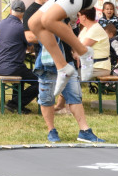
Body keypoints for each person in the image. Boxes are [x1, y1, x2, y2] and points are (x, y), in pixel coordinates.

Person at [32, 12, 104, 143]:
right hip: (47, 64)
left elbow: (69, 31)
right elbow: (28, 36)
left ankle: (84, 131)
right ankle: (51, 130)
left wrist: (76, 49)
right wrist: (50, 34)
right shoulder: (34, 11)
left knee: (75, 96)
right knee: (47, 98)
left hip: (68, 62)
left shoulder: (59, 10)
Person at [0, 0, 38, 114]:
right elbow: (30, 47)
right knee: (40, 81)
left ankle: (17, 104)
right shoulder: (21, 28)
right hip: (12, 67)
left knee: (22, 73)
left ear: (10, 10)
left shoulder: (2, 23)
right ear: (24, 13)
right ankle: (15, 103)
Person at [76, 6, 109, 76]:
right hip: (92, 65)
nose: (77, 17)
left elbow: (81, 48)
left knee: (69, 76)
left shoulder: (95, 29)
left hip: (99, 67)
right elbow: (76, 43)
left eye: (78, 15)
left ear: (84, 17)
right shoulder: (86, 28)